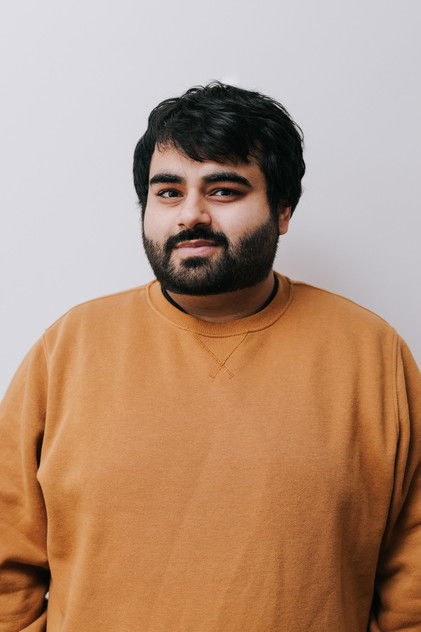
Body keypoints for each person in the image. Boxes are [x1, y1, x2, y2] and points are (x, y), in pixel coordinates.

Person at [0, 81, 420, 632]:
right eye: (168, 192)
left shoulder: (372, 352)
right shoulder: (68, 348)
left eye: (223, 190)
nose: (190, 215)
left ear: (283, 210)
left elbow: (413, 580)